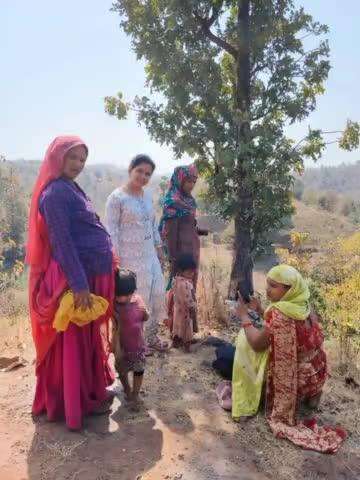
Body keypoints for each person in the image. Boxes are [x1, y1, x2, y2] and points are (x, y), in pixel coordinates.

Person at [27, 136, 115, 431]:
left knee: (86, 337)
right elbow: (62, 243)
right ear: (57, 157)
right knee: (73, 342)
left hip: (88, 273)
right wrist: (79, 286)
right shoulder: (54, 195)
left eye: (82, 159)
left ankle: (88, 394)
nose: (78, 164)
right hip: (74, 278)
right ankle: (71, 407)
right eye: (73, 157)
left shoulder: (70, 188)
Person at [225, 264, 346, 453]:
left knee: (235, 351)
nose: (267, 289)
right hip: (316, 376)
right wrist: (261, 311)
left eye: (273, 286)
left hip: (297, 383)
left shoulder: (281, 315)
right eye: (268, 284)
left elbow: (257, 343)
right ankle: (311, 398)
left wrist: (243, 317)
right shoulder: (304, 305)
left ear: (289, 289)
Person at [105, 154, 168, 354]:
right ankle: (135, 344)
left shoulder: (148, 196)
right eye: (139, 171)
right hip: (129, 259)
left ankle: (151, 337)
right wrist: (116, 262)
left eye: (147, 174)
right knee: (136, 302)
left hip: (150, 256)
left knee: (157, 293)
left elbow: (153, 225)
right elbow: (112, 231)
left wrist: (159, 249)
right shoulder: (117, 198)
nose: (143, 176)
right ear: (130, 169)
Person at [159, 164, 207, 291]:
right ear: (180, 180)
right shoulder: (173, 201)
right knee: (179, 287)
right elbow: (170, 232)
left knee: (191, 287)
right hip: (181, 252)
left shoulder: (189, 200)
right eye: (188, 181)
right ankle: (174, 311)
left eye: (194, 182)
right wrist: (174, 258)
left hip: (192, 248)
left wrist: (202, 230)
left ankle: (190, 310)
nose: (191, 185)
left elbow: (189, 225)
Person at [112, 269, 148, 409]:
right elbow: (114, 327)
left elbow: (145, 316)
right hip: (121, 347)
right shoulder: (114, 306)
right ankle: (127, 388)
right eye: (118, 295)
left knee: (139, 370)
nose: (121, 298)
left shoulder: (138, 299)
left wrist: (145, 314)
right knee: (122, 370)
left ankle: (136, 393)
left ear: (132, 292)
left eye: (125, 295)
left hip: (138, 345)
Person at [167, 254, 198, 352]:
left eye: (193, 271)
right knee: (187, 328)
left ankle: (176, 342)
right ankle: (187, 346)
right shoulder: (185, 284)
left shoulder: (175, 280)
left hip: (177, 309)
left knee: (177, 326)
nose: (192, 274)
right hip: (185, 311)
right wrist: (193, 306)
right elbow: (187, 298)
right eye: (189, 272)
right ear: (181, 271)